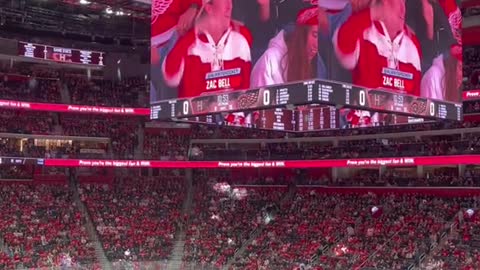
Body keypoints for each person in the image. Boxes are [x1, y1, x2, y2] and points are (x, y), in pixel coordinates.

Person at [162, 0, 253, 98]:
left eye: (230, 1)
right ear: (209, 8)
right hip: (195, 112)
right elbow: (170, 78)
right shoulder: (189, 44)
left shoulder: (239, 41)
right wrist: (192, 35)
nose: (229, 7)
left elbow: (245, 94)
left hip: (232, 112)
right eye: (224, 1)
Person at [333, 0, 422, 96]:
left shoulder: (413, 43)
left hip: (400, 110)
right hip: (365, 108)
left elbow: (415, 100)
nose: (403, 9)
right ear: (384, 3)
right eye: (398, 2)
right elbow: (343, 45)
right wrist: (373, 13)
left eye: (404, 2)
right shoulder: (364, 32)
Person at [250, 7, 319, 87]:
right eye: (315, 35)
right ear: (301, 35)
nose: (317, 45)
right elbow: (261, 98)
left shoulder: (319, 64)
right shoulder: (271, 59)